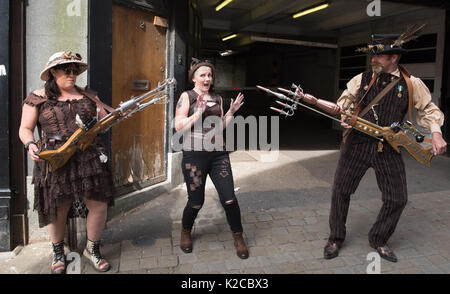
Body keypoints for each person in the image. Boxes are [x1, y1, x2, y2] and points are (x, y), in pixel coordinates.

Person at [323, 28, 447, 262]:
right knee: (340, 192)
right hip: (357, 144)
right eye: (373, 54)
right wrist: (344, 115)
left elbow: (430, 110)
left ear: (394, 57)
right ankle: (335, 237)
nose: (374, 59)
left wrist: (437, 134)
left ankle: (378, 238)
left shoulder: (412, 84)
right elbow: (345, 102)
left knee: (397, 198)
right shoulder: (361, 79)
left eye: (379, 55)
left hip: (388, 147)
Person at [19, 51, 114, 273]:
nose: (72, 74)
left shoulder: (89, 95)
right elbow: (25, 129)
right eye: (66, 70)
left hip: (88, 155)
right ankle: (58, 251)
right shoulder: (38, 97)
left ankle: (92, 249)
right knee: (58, 207)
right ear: (53, 72)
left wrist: (115, 115)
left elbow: (104, 119)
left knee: (98, 203)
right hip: (55, 156)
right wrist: (30, 145)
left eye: (75, 70)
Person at [174, 59, 249, 259]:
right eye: (203, 75)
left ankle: (238, 236)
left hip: (218, 155)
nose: (207, 79)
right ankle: (185, 231)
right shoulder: (186, 96)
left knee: (230, 199)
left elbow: (221, 125)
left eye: (209, 75)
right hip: (194, 156)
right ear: (193, 78)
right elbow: (178, 126)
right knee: (196, 202)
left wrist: (232, 113)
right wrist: (197, 113)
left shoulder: (217, 98)